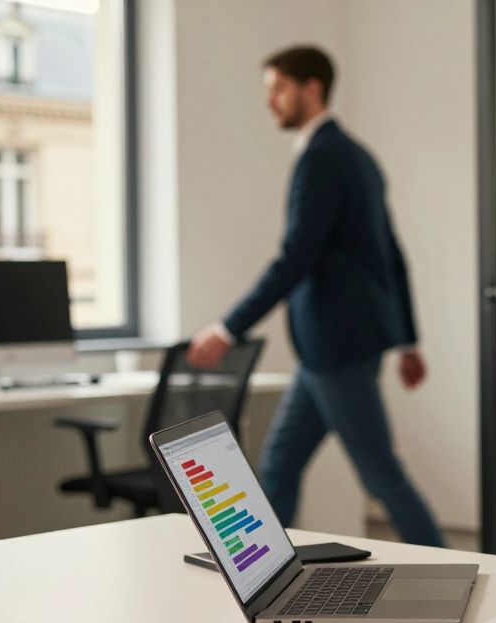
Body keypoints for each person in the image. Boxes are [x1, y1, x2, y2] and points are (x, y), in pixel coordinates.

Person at [187, 45, 444, 547]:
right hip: (327, 349)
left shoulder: (323, 157)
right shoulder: (356, 156)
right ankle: (264, 570)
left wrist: (227, 328)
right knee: (279, 465)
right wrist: (407, 340)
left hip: (337, 347)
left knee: (379, 473)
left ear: (312, 88)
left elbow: (296, 258)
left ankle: (460, 569)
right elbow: (390, 256)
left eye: (278, 89)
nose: (270, 102)